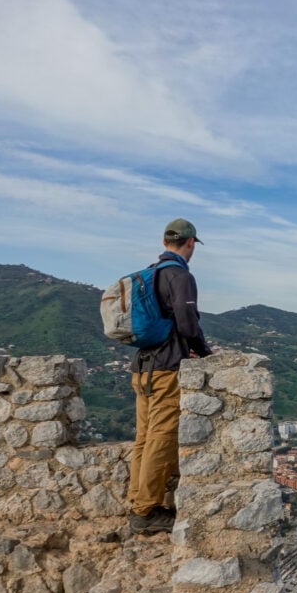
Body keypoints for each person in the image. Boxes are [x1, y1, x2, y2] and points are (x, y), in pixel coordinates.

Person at [127, 218, 212, 534]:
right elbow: (188, 324)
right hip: (165, 369)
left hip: (143, 368)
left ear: (165, 242)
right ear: (191, 243)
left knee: (144, 437)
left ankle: (138, 500)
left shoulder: (151, 274)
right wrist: (205, 354)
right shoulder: (180, 276)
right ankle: (145, 512)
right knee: (161, 438)